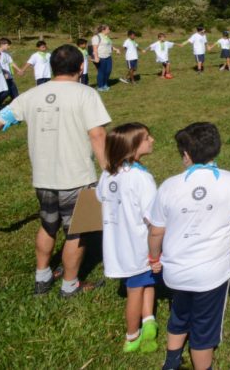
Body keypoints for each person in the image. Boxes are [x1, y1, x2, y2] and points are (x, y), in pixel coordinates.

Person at [0, 44, 112, 297]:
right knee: (77, 233)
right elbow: (97, 134)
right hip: (77, 178)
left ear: (51, 67)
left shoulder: (30, 95)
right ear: (81, 67)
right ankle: (70, 285)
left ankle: (42, 276)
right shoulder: (86, 94)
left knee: (48, 225)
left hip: (43, 178)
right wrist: (108, 169)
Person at [145, 122, 230, 370]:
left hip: (175, 272)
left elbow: (156, 231)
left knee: (180, 313)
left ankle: (171, 362)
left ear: (186, 155)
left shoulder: (169, 186)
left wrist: (154, 258)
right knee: (203, 328)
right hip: (211, 275)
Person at [96, 123, 159, 353]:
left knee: (145, 282)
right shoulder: (141, 178)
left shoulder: (107, 173)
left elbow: (99, 196)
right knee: (135, 289)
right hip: (138, 245)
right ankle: (132, 337)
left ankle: (149, 319)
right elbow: (154, 215)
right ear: (132, 148)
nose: (152, 140)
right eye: (146, 138)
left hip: (116, 243)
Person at [91, 24, 116, 91]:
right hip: (100, 57)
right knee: (101, 72)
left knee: (108, 71)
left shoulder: (106, 37)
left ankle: (105, 84)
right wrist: (96, 57)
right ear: (103, 30)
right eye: (108, 29)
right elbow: (95, 48)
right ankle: (100, 86)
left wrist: (116, 49)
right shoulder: (96, 37)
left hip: (108, 56)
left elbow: (109, 45)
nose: (109, 30)